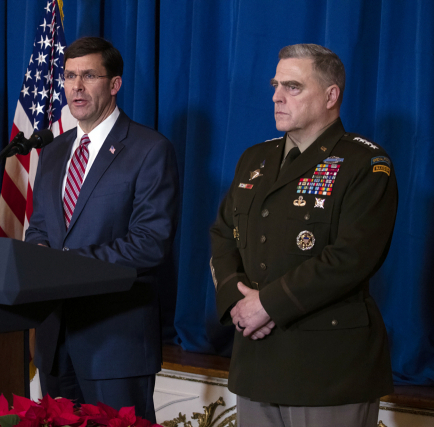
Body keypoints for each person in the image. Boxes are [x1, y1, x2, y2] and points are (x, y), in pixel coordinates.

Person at [210, 43, 397, 427]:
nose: (277, 97)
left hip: (327, 367)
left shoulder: (365, 163)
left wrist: (266, 305)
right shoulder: (255, 158)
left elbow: (351, 258)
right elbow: (224, 234)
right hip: (256, 357)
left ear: (331, 96)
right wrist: (236, 301)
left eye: (292, 87)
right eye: (275, 85)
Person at [25, 37, 179, 422]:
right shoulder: (53, 151)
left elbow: (150, 243)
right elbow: (39, 228)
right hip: (55, 338)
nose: (76, 87)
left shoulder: (149, 149)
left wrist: (65, 264)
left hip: (115, 341)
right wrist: (39, 251)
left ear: (114, 84)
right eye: (69, 76)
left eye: (89, 76)